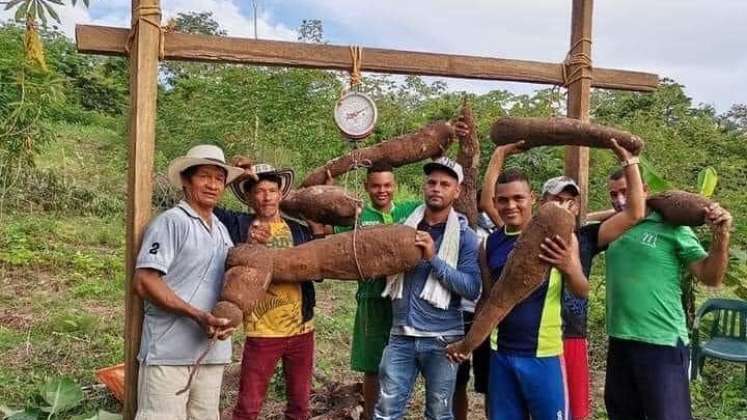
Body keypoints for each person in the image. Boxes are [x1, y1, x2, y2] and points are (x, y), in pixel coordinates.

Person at [450, 137, 645, 420]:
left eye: (518, 198)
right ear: (494, 203)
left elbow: (581, 291)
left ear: (532, 199)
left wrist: (569, 265)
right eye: (502, 200)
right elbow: (488, 300)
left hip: (544, 354)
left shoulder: (560, 238)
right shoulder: (489, 244)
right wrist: (469, 342)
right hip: (500, 353)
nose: (510, 205)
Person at [603, 168, 732, 420]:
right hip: (619, 339)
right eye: (613, 194)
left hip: (661, 343)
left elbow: (710, 276)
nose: (619, 200)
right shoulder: (614, 226)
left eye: (626, 192)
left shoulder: (672, 228)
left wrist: (721, 237)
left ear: (645, 191)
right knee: (622, 414)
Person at [132, 144, 243, 420]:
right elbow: (145, 281)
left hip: (210, 353)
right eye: (205, 176)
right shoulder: (171, 222)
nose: (213, 185)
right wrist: (195, 314)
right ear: (185, 179)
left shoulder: (221, 230)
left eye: (219, 178)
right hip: (169, 352)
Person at [374, 157, 481, 420]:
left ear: (456, 192)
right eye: (432, 182)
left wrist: (433, 258)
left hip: (443, 340)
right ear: (424, 187)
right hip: (401, 335)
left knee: (439, 413)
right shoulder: (405, 228)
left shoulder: (465, 237)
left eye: (445, 184)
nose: (436, 188)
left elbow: (471, 288)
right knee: (386, 411)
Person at [213, 160, 318, 420]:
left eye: (272, 190)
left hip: (302, 330)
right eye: (259, 191)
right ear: (249, 197)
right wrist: (233, 173)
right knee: (248, 407)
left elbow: (315, 271)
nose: (266, 197)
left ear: (280, 194)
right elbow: (208, 202)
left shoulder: (299, 229)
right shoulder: (238, 224)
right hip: (262, 330)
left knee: (300, 406)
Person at [330, 161, 419, 420]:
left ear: (396, 186)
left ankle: (395, 413)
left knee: (403, 364)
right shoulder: (357, 218)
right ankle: (370, 415)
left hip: (405, 301)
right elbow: (329, 234)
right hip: (371, 300)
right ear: (366, 187)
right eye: (376, 186)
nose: (382, 191)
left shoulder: (411, 210)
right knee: (373, 367)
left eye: (387, 185)